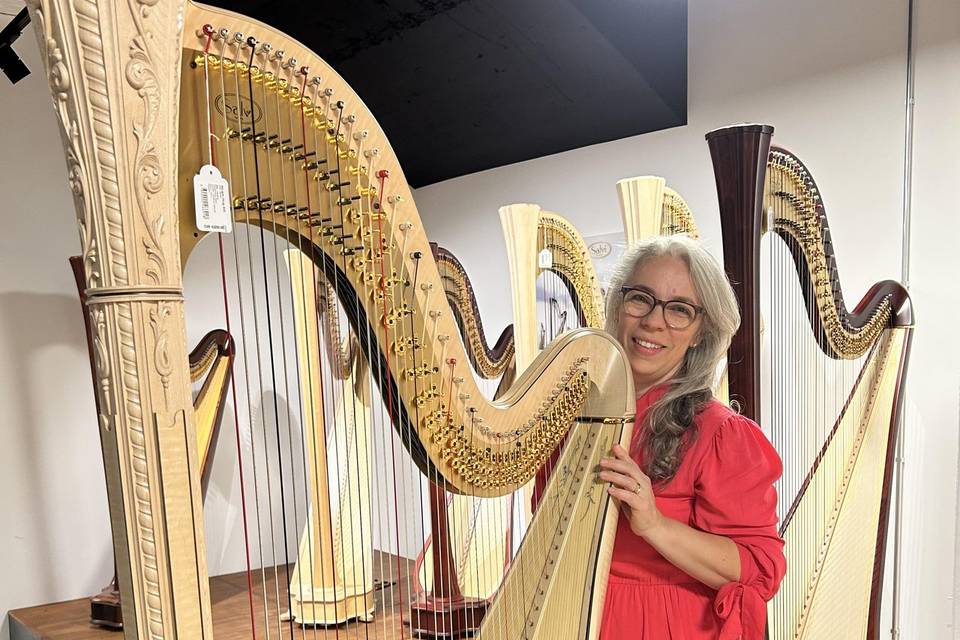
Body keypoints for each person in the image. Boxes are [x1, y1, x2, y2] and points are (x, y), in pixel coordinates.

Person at [596, 235, 785, 639]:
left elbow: (761, 567)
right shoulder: (581, 416)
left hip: (664, 626)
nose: (652, 321)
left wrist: (654, 524)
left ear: (701, 332)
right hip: (574, 612)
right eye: (640, 298)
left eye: (679, 309)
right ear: (619, 305)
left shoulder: (720, 434)